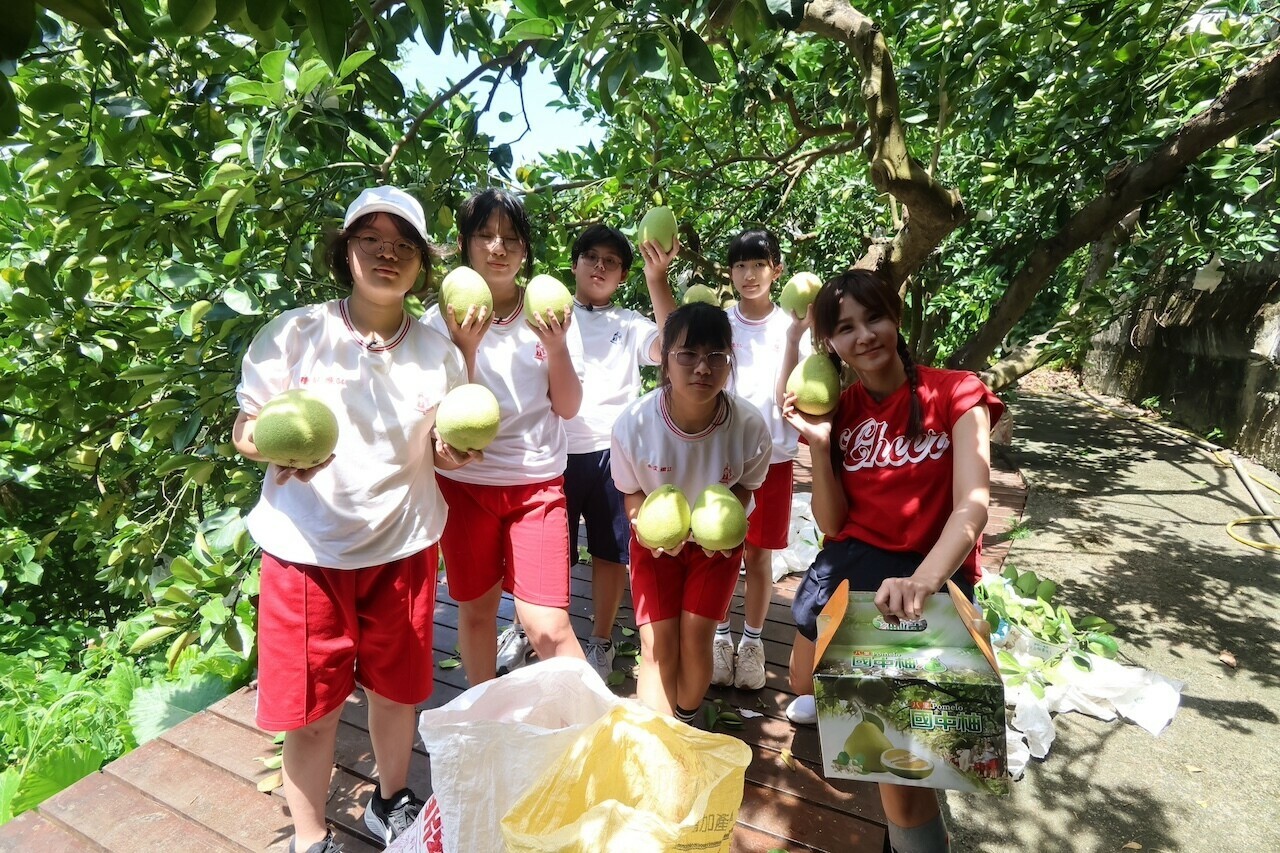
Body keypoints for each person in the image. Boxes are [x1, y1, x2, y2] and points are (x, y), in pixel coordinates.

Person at [233, 186, 476, 852]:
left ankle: (390, 801)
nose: (387, 254)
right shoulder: (297, 332)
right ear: (347, 251)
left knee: (399, 694)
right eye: (371, 240)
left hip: (403, 546)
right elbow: (246, 426)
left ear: (422, 263)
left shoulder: (438, 352)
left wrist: (452, 450)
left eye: (402, 245)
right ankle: (310, 837)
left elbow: (443, 445)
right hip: (306, 550)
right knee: (311, 714)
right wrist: (270, 447)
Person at [781, 269, 1003, 853]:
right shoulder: (840, 409)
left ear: (896, 318)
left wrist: (925, 579)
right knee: (803, 682)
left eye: (873, 318)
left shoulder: (957, 392)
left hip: (925, 577)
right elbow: (829, 524)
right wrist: (823, 444)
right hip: (852, 565)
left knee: (897, 771)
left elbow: (973, 507)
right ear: (830, 343)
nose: (864, 337)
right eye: (845, 329)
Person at [424, 188, 587, 686]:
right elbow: (454, 417)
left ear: (525, 249)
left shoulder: (551, 312)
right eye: (485, 236)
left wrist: (556, 347)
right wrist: (464, 350)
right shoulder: (438, 322)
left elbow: (569, 407)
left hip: (536, 484)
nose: (498, 247)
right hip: (466, 487)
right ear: (465, 243)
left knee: (547, 623)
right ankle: (484, 716)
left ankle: (601, 733)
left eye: (511, 238)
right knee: (475, 610)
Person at [611, 302, 772, 723]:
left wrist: (717, 523)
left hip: (716, 547)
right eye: (688, 355)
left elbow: (747, 485)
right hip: (653, 541)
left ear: (729, 360)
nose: (703, 367)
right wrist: (642, 527)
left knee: (696, 637)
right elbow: (630, 495)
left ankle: (684, 722)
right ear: (665, 360)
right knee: (656, 645)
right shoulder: (633, 424)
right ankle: (655, 739)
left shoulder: (750, 426)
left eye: (715, 356)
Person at [560, 224, 679, 680]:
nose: (600, 266)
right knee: (555, 554)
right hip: (556, 452)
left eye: (611, 261)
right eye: (591, 256)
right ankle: (538, 632)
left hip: (613, 454)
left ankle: (600, 640)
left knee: (611, 553)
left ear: (623, 275)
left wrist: (658, 280)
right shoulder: (549, 314)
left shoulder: (630, 324)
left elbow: (672, 346)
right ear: (575, 264)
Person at [715, 228, 812, 690]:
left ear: (778, 269)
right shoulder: (721, 324)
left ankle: (751, 642)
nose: (748, 274)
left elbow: (793, 395)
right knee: (719, 552)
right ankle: (719, 636)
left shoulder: (793, 326)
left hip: (773, 458)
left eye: (758, 264)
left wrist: (794, 337)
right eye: (739, 265)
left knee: (758, 557)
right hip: (722, 460)